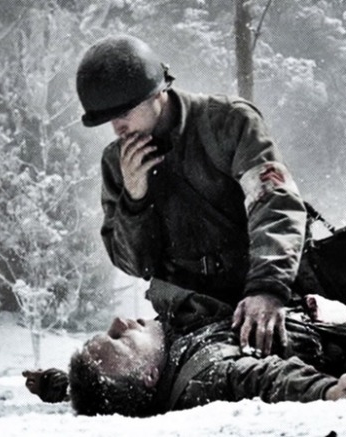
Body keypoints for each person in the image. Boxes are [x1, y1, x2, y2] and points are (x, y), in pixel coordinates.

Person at [75, 34, 308, 355]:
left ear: (156, 92)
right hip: (190, 317)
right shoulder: (117, 164)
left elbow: (275, 205)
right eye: (109, 119)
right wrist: (135, 199)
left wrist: (267, 288)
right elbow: (136, 265)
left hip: (258, 293)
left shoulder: (228, 121)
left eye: (124, 114)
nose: (117, 128)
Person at [24, 289, 346, 416]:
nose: (120, 321)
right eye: (119, 339)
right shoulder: (203, 375)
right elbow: (263, 379)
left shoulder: (167, 350)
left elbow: (100, 390)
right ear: (150, 377)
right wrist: (328, 393)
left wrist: (59, 384)